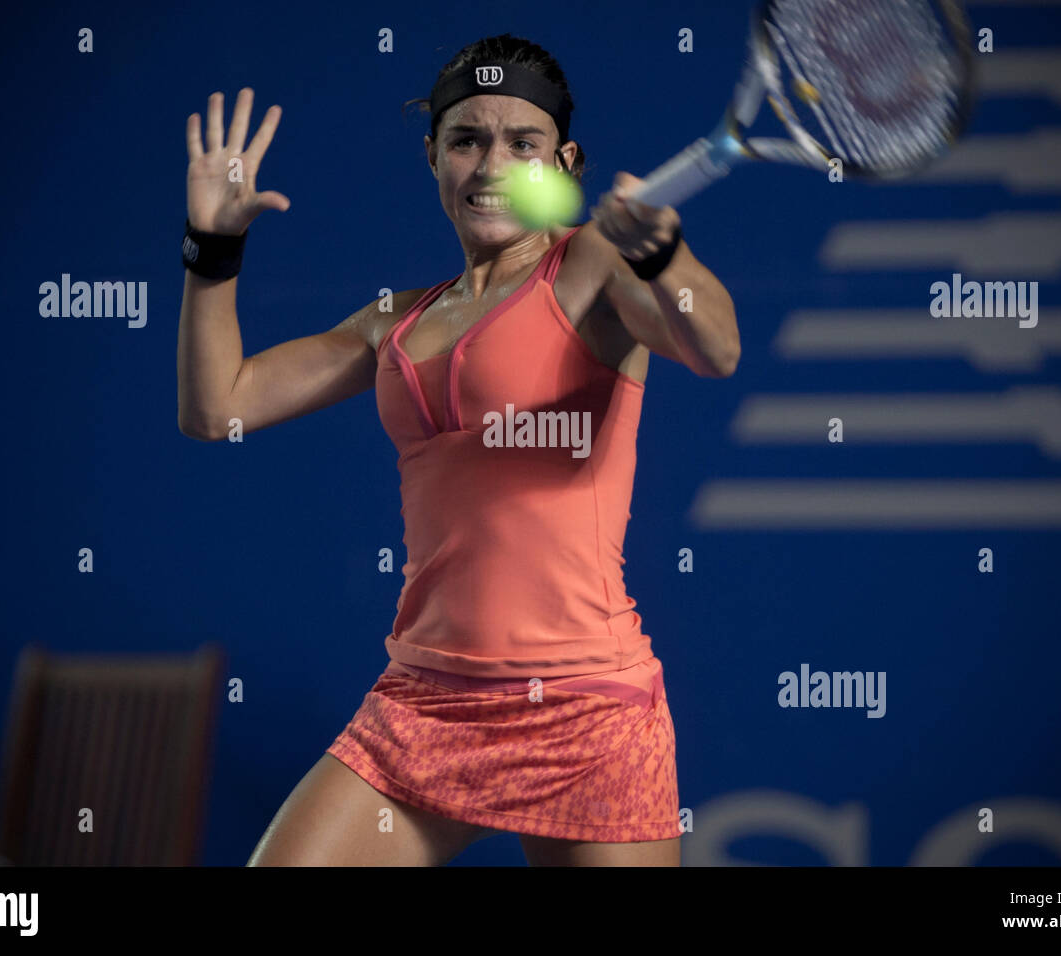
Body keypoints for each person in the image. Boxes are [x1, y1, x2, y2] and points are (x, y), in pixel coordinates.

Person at [178, 33, 739, 866]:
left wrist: (664, 253)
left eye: (523, 143)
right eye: (466, 140)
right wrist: (212, 253)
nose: (490, 166)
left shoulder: (589, 266)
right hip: (424, 705)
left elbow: (714, 348)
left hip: (587, 707)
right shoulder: (393, 321)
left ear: (565, 162)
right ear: (433, 158)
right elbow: (217, 406)